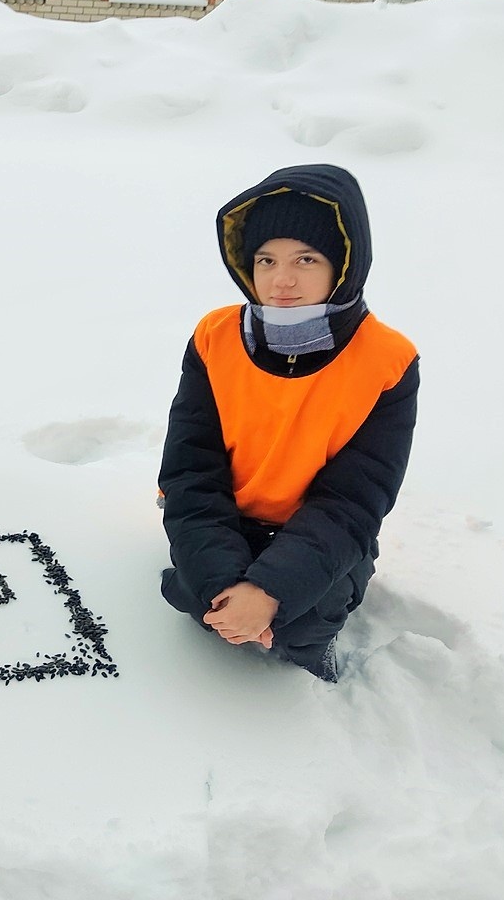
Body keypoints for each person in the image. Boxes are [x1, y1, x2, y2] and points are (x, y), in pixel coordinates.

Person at [158, 163, 418, 681]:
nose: (282, 280)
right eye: (266, 259)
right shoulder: (216, 336)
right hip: (229, 518)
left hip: (318, 533)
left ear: (343, 263)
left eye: (306, 258)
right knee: (198, 597)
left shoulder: (386, 359)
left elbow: (354, 500)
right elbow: (190, 470)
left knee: (304, 621)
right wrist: (224, 583)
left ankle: (306, 643)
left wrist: (272, 590)